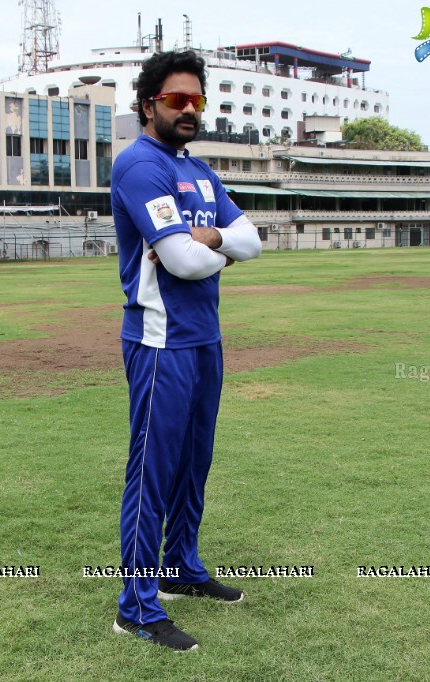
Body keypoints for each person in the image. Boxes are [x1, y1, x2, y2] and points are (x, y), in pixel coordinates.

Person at [110, 49, 262, 651]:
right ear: (149, 105)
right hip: (158, 343)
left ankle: (181, 568)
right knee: (153, 473)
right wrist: (220, 249)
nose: (190, 108)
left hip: (206, 340)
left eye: (198, 99)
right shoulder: (139, 166)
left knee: (195, 462)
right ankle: (137, 607)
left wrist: (216, 240)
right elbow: (181, 260)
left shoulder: (199, 171)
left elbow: (253, 240)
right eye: (177, 99)